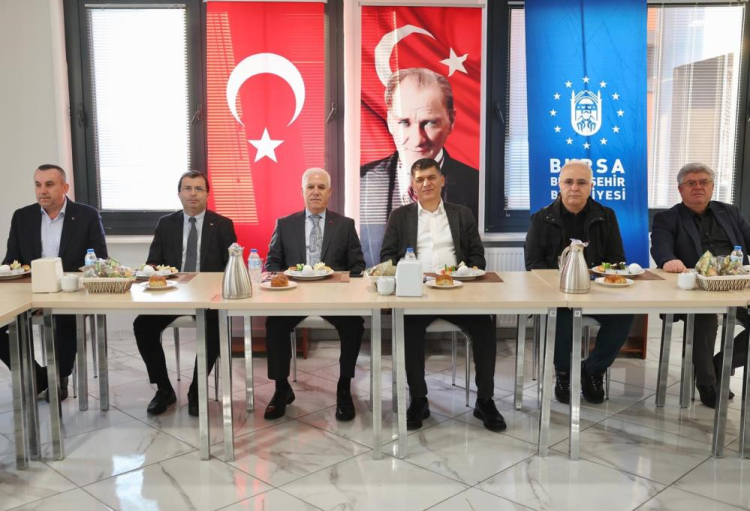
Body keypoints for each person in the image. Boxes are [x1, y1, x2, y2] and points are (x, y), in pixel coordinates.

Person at [380, 157, 505, 432]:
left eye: (431, 177)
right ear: (413, 185)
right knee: (408, 329)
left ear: (442, 180)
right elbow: (387, 258)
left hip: (458, 291)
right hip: (419, 293)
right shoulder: (400, 217)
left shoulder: (462, 214)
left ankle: (485, 400)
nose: (426, 183)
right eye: (420, 179)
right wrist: (409, 274)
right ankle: (419, 399)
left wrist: (466, 272)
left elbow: (477, 256)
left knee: (486, 327)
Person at [525, 160, 634, 404]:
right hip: (557, 293)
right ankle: (563, 373)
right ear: (559, 184)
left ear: (591, 186)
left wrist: (593, 279)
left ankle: (593, 370)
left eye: (581, 182)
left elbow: (617, 260)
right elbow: (533, 264)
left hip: (597, 292)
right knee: (561, 315)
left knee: (625, 314)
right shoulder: (541, 218)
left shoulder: (606, 216)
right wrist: (566, 281)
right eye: (569, 182)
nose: (574, 188)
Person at [263, 168, 366, 421]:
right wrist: (285, 277)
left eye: (321, 187)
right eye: (310, 187)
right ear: (302, 191)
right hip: (294, 296)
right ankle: (281, 388)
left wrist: (338, 280)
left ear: (330, 192)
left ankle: (344, 387)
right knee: (274, 324)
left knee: (354, 325)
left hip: (334, 296)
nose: (316, 192)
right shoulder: (285, 224)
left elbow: (357, 266)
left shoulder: (345, 225)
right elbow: (272, 263)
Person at [133, 171, 236, 416]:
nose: (193, 194)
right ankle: (164, 389)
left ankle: (197, 390)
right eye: (187, 188)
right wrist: (154, 271)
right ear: (179, 194)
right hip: (172, 294)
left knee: (215, 327)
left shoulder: (222, 224)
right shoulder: (166, 224)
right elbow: (153, 261)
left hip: (208, 298)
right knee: (142, 325)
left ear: (207, 194)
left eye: (199, 189)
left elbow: (231, 266)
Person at [0, 164, 108, 400]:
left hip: (71, 292)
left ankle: (58, 377)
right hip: (30, 292)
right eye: (38, 185)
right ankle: (38, 376)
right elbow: (12, 261)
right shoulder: (22, 216)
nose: (42, 191)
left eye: (49, 184)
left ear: (65, 187)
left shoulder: (87, 215)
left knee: (64, 318)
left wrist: (57, 293)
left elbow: (100, 260)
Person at [651, 162, 750, 408]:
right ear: (680, 189)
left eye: (704, 182)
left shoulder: (730, 212)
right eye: (691, 183)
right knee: (704, 319)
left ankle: (721, 363)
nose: (698, 187)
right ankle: (707, 383)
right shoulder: (667, 218)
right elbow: (661, 247)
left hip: (736, 283)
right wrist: (669, 260)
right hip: (696, 288)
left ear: (712, 187)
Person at [360, 67, 479, 268]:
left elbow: (475, 257)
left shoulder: (476, 186)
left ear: (451, 120)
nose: (417, 140)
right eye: (404, 122)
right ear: (389, 121)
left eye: (430, 122)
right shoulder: (362, 182)